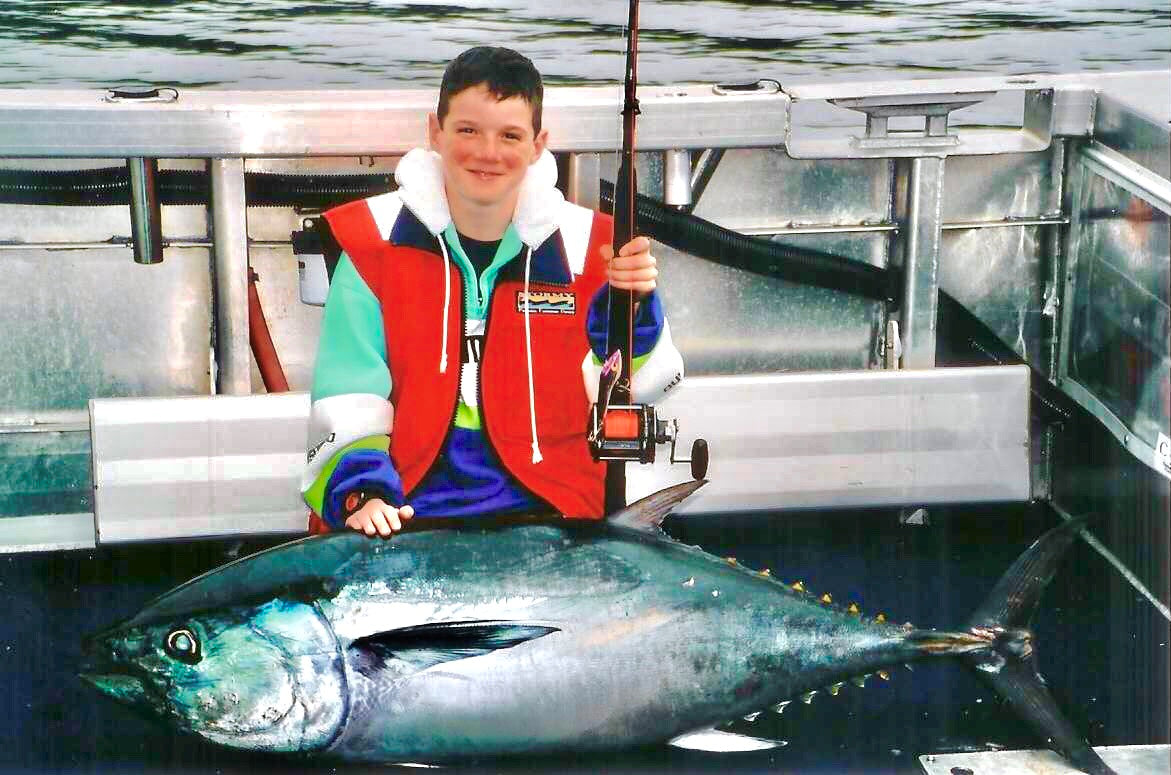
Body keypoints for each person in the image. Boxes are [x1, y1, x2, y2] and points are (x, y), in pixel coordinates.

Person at [301, 46, 684, 538]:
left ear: (538, 144)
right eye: (467, 130)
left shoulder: (597, 248)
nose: (487, 153)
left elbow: (645, 385)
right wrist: (363, 494)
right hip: (404, 507)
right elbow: (347, 391)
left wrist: (635, 306)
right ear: (435, 132)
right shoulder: (371, 243)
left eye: (510, 135)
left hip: (553, 510)